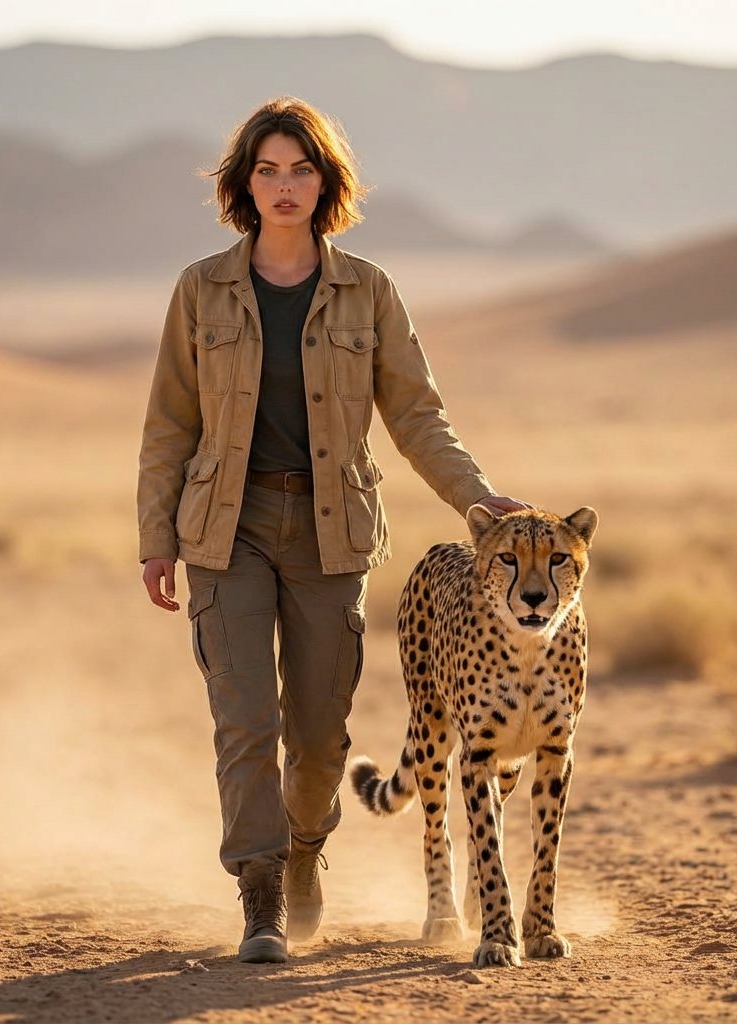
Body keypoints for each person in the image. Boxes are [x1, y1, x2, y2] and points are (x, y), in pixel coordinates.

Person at [137, 97, 526, 964]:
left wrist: (479, 496)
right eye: (267, 170)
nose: (284, 186)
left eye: (301, 169)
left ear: (326, 182)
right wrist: (155, 537)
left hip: (329, 530)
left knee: (318, 737)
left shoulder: (369, 291)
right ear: (245, 184)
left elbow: (417, 414)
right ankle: (261, 892)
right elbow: (169, 423)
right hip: (223, 530)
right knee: (245, 722)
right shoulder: (201, 289)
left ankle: (307, 848)